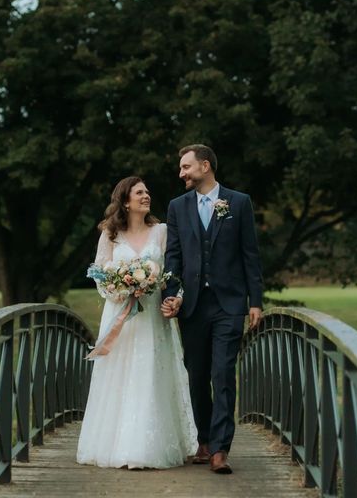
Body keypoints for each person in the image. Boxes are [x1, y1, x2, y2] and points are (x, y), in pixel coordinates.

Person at [77, 176, 196, 469]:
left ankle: (146, 447)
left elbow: (173, 272)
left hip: (153, 315)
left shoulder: (162, 232)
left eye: (147, 192)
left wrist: (167, 294)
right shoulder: (110, 234)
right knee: (119, 373)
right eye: (139, 192)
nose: (146, 196)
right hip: (120, 315)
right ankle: (116, 444)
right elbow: (98, 274)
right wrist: (121, 287)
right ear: (125, 200)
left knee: (151, 372)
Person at [161, 144, 263, 474]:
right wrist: (173, 292)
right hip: (192, 306)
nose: (181, 173)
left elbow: (251, 255)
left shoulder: (239, 202)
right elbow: (173, 257)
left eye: (186, 167)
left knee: (222, 375)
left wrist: (256, 301)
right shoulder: (177, 207)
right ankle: (203, 441)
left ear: (205, 166)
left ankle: (220, 449)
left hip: (230, 304)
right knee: (197, 376)